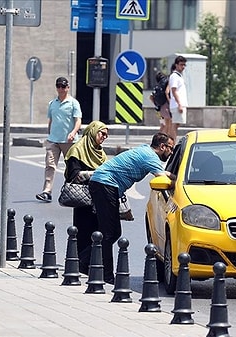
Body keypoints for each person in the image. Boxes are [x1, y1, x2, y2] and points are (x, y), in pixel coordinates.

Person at [88, 132, 176, 284]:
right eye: (170, 148)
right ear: (162, 146)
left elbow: (165, 173)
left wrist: (177, 176)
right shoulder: (150, 157)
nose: (171, 152)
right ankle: (105, 274)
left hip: (104, 185)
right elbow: (162, 177)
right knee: (109, 233)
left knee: (113, 232)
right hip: (105, 184)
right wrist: (180, 183)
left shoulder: (146, 152)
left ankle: (84, 262)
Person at [63, 121, 109, 274]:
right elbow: (74, 175)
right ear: (92, 132)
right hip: (82, 199)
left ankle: (92, 264)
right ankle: (81, 264)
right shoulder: (77, 150)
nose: (104, 137)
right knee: (83, 232)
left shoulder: (100, 153)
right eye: (102, 133)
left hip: (98, 199)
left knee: (98, 232)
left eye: (106, 135)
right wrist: (95, 175)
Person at [36, 77, 82, 203]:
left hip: (69, 141)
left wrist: (73, 132)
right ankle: (47, 191)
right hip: (53, 140)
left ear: (67, 87)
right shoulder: (52, 103)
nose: (60, 89)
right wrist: (49, 133)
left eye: (63, 86)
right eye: (58, 86)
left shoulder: (73, 103)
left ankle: (72, 190)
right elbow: (51, 120)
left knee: (71, 167)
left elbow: (78, 120)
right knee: (50, 165)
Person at [169, 56, 188, 141]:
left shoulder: (179, 76)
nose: (183, 67)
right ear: (176, 65)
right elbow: (174, 90)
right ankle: (172, 143)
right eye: (181, 65)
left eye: (184, 65)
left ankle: (172, 142)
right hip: (177, 104)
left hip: (179, 104)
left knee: (177, 124)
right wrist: (179, 104)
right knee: (175, 125)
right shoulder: (174, 76)